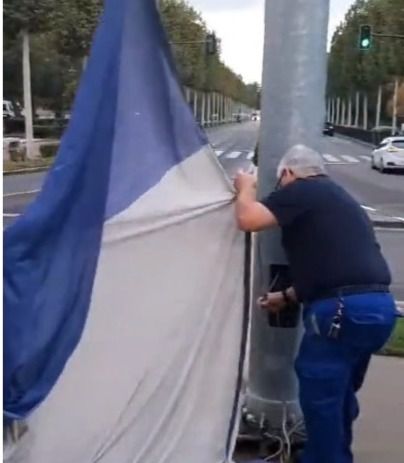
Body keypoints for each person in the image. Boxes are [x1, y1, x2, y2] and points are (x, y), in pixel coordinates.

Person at [234, 145, 397, 463]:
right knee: (340, 398)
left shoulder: (302, 189)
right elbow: (333, 266)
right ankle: (334, 456)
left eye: (280, 182)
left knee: (321, 399)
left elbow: (248, 219)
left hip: (340, 312)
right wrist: (287, 296)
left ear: (288, 173)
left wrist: (246, 188)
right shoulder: (340, 199)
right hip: (377, 308)